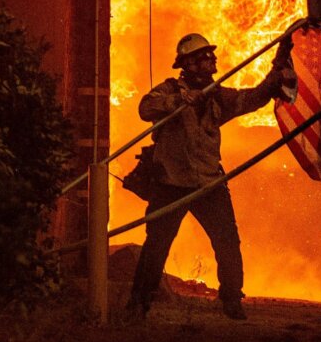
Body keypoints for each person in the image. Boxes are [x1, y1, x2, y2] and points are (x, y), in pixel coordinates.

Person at [125, 31, 293, 321]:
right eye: (204, 57)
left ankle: (231, 298)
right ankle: (139, 304)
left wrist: (277, 71)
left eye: (211, 56)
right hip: (171, 184)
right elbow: (145, 108)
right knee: (157, 246)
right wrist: (177, 102)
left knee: (227, 241)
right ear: (187, 64)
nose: (211, 60)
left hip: (209, 183)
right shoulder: (167, 90)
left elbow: (252, 99)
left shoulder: (218, 97)